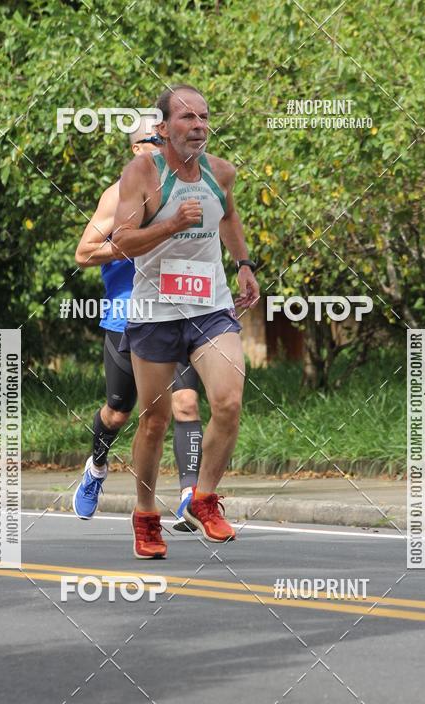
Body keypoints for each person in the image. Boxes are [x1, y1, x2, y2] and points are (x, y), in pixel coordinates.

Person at [110, 84, 259, 559]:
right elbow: (122, 241)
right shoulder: (143, 173)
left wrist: (243, 264)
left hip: (210, 308)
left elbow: (228, 217)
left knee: (229, 401)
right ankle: (145, 514)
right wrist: (171, 225)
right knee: (153, 420)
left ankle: (204, 498)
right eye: (186, 118)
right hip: (155, 312)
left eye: (204, 117)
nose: (198, 126)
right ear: (163, 128)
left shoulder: (221, 173)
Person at [72, 119, 203, 530]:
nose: (162, 147)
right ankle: (95, 468)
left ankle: (190, 498)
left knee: (186, 403)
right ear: (135, 150)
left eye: (166, 141)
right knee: (117, 412)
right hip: (126, 318)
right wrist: (133, 244)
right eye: (153, 141)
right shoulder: (118, 196)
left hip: (172, 313)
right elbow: (83, 253)